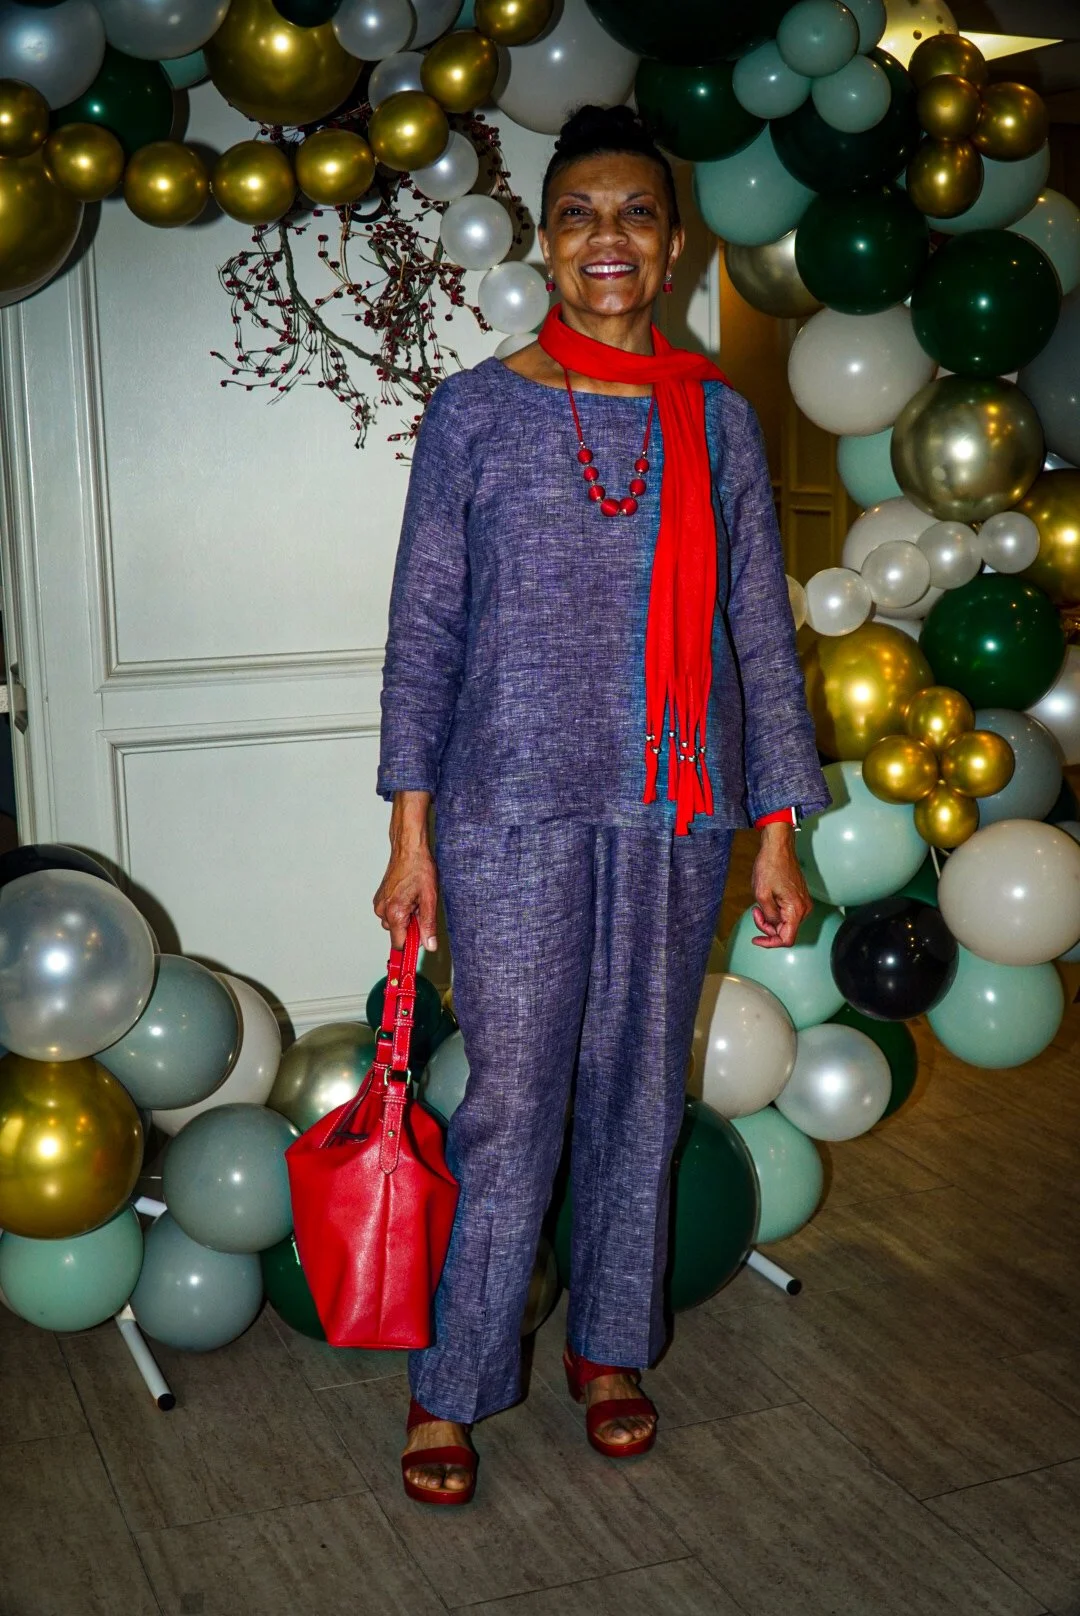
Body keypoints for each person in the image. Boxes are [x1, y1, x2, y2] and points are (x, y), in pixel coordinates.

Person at [375, 104, 829, 1507]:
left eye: (635, 212)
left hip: (678, 805)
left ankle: (612, 1347)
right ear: (548, 244)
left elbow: (758, 632)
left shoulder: (718, 420)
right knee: (513, 1101)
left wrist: (777, 826)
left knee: (641, 1088)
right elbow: (423, 630)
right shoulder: (475, 412)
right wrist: (409, 831)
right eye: (579, 214)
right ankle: (455, 1380)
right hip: (507, 808)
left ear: (673, 245)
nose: (608, 238)